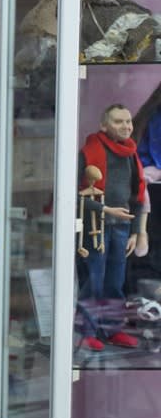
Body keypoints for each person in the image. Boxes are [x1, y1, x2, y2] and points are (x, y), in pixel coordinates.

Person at [76, 104, 148, 349]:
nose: (126, 126)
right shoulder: (88, 153)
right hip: (94, 228)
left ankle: (112, 329)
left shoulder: (131, 154)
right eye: (118, 121)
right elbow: (73, 196)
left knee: (115, 283)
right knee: (93, 281)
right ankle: (87, 332)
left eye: (128, 121)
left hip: (121, 227)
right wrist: (105, 210)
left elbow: (137, 195)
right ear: (104, 126)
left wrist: (135, 230)